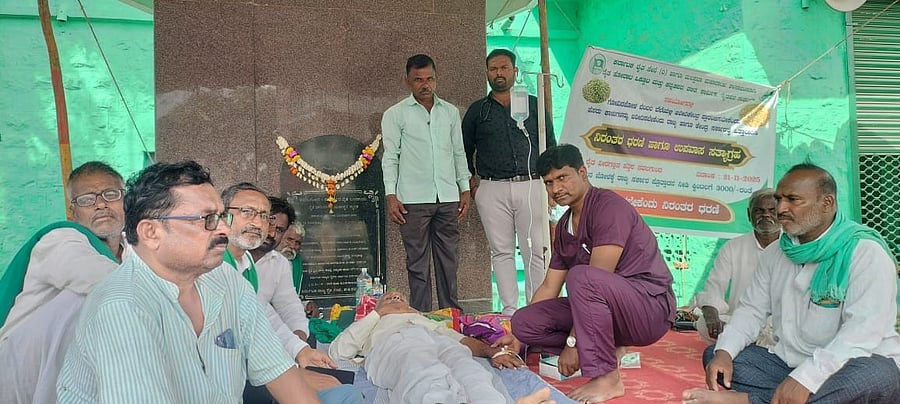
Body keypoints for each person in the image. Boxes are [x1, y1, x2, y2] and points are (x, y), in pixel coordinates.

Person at [56, 161, 325, 403]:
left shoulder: (226, 279)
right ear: (151, 232)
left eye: (221, 216)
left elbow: (279, 373)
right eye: (206, 219)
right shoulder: (122, 306)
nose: (223, 229)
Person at [683, 163, 900, 404]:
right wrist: (725, 352)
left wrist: (807, 378)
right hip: (787, 364)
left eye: (793, 200)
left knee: (878, 376)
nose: (781, 209)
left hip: (847, 365)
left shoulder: (865, 253)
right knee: (716, 357)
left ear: (827, 203)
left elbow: (862, 333)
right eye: (779, 199)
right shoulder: (777, 252)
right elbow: (751, 311)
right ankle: (790, 398)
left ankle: (747, 400)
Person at [504, 144, 675, 403]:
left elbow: (595, 277)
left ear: (583, 172)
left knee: (582, 277)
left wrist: (572, 344)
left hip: (650, 308)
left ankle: (608, 378)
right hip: (610, 310)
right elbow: (550, 287)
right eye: (549, 183)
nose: (556, 189)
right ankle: (609, 348)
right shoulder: (563, 226)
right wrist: (517, 339)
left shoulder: (608, 208)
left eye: (563, 178)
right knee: (524, 321)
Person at [0, 161, 126, 404]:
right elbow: (94, 277)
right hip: (17, 372)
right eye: (87, 199)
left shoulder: (134, 252)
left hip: (73, 374)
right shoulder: (61, 238)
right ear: (73, 212)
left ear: (126, 202)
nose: (101, 204)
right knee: (83, 299)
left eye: (112, 195)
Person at [219, 184, 356, 403]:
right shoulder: (212, 262)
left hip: (251, 365)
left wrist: (300, 348)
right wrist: (292, 369)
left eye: (264, 216)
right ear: (221, 215)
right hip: (228, 374)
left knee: (343, 389)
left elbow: (264, 313)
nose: (260, 224)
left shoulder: (246, 267)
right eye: (247, 212)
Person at [462, 48, 556, 315]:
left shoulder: (532, 104)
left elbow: (549, 144)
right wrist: (472, 181)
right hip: (492, 187)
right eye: (493, 68)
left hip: (531, 184)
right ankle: (509, 311)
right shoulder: (478, 111)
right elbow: (463, 149)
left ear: (515, 72)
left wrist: (550, 187)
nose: (499, 73)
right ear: (487, 73)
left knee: (536, 250)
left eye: (504, 68)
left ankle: (537, 309)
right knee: (501, 252)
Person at [381, 53, 471, 312]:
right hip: (412, 200)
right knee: (417, 263)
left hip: (447, 196)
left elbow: (458, 152)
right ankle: (420, 316)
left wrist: (464, 188)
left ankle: (450, 316)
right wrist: (391, 195)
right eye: (418, 79)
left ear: (436, 79)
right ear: (407, 81)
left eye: (430, 78)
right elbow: (391, 157)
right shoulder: (395, 114)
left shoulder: (450, 112)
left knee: (449, 261)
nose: (425, 84)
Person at [329, 291, 525, 403]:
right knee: (423, 370)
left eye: (400, 298)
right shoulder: (374, 323)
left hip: (435, 340)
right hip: (395, 343)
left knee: (469, 369)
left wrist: (493, 352)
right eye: (389, 298)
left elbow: (461, 341)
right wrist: (379, 313)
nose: (396, 297)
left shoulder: (423, 320)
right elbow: (338, 351)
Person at [693, 188, 779, 345]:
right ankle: (751, 343)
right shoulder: (733, 247)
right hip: (740, 321)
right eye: (759, 210)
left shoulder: (793, 248)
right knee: (704, 324)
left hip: (778, 325)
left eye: (772, 210)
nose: (765, 215)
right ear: (749, 215)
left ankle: (745, 344)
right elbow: (714, 287)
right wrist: (710, 310)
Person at [250, 196, 310, 341]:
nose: (272, 234)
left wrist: (299, 335)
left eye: (279, 230)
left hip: (268, 341)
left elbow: (288, 304)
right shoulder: (229, 258)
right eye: (269, 224)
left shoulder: (279, 263)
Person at [278, 221, 318, 318]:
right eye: (289, 239)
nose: (292, 246)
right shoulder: (266, 260)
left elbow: (288, 300)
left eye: (297, 243)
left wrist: (306, 305)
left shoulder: (295, 263)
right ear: (278, 236)